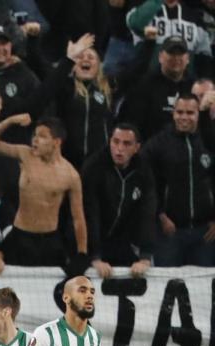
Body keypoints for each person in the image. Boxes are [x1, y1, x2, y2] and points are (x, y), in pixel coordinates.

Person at [0, 115, 89, 275]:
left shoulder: (70, 175)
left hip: (50, 241)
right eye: (34, 135)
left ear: (57, 142)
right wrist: (9, 121)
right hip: (19, 236)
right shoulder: (25, 155)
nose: (35, 140)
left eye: (42, 136)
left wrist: (82, 254)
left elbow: (78, 218)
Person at [141, 93, 215, 266]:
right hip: (169, 232)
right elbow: (145, 182)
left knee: (204, 290)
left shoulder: (209, 141)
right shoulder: (158, 144)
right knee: (167, 286)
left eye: (190, 113)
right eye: (179, 112)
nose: (184, 117)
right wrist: (159, 215)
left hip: (205, 232)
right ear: (173, 113)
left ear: (198, 114)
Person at [81, 124, 157, 277]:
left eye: (126, 143)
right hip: (92, 241)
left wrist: (145, 256)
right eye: (115, 142)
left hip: (123, 242)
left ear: (137, 148)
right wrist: (94, 257)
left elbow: (147, 212)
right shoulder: (93, 167)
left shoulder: (143, 170)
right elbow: (89, 213)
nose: (119, 148)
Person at [29, 34, 113, 167]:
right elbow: (39, 65)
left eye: (91, 57)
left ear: (98, 65)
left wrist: (148, 44)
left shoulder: (109, 89)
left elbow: (137, 72)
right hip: (66, 160)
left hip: (99, 162)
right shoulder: (64, 86)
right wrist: (32, 39)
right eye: (80, 57)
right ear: (73, 66)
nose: (85, 59)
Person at [119, 36, 196, 141]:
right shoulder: (144, 85)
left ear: (188, 59)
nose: (176, 58)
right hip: (151, 150)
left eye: (180, 53)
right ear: (160, 57)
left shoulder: (194, 87)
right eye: (171, 53)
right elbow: (133, 123)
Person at [128, 0, 212, 76]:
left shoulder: (194, 17)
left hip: (184, 83)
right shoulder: (143, 10)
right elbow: (135, 24)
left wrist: (205, 80)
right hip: (150, 79)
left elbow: (204, 55)